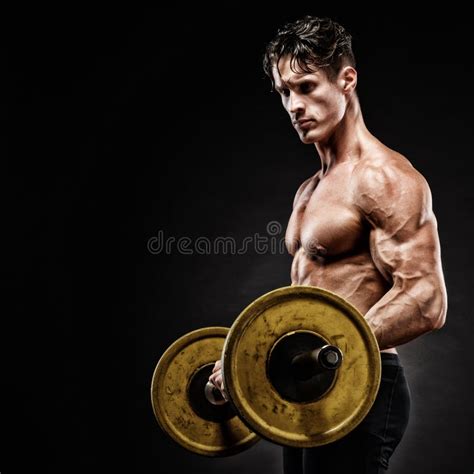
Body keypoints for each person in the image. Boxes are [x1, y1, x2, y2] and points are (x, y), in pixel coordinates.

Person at [209, 15, 448, 473]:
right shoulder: (310, 190)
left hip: (361, 382)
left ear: (347, 80)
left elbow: (426, 300)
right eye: (284, 93)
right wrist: (248, 360)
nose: (294, 105)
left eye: (306, 86)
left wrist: (321, 349)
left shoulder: (382, 177)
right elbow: (309, 310)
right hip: (310, 384)